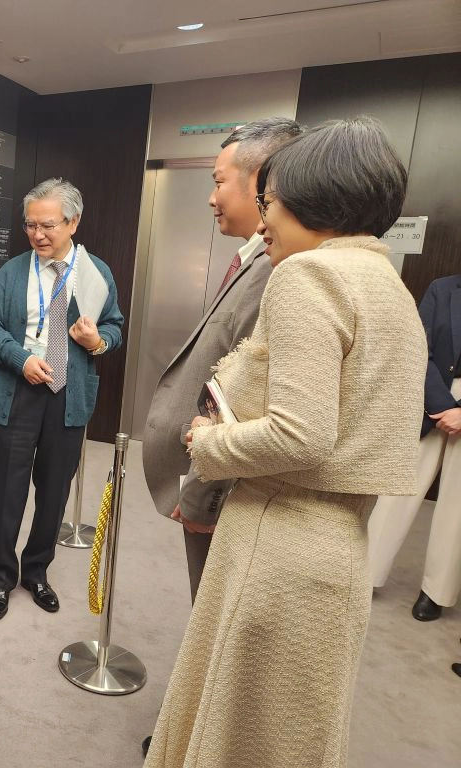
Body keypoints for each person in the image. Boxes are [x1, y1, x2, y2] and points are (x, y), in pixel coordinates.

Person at [145, 118, 426, 767]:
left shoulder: (308, 276)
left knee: (237, 731)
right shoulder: (388, 285)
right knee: (284, 734)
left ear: (313, 198)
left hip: (277, 542)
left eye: (269, 200)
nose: (264, 217)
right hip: (340, 546)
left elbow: (301, 434)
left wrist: (210, 441)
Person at [143, 117, 301, 603]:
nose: (212, 198)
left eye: (218, 182)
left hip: (221, 481)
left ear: (263, 181)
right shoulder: (254, 258)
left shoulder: (275, 270)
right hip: (209, 466)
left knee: (216, 608)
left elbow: (243, 399)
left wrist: (201, 493)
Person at [0, 178, 123, 620]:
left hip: (68, 396)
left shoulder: (96, 273)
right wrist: (20, 359)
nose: (38, 235)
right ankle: (1, 576)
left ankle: (36, 572)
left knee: (55, 490)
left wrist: (98, 341)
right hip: (18, 392)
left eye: (48, 225)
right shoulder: (11, 273)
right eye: (30, 225)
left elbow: (114, 327)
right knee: (6, 490)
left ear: (73, 222)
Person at [368, 273, 461, 621]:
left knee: (457, 505)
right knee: (397, 492)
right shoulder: (442, 288)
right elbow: (417, 349)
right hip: (432, 400)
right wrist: (443, 405)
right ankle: (367, 572)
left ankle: (436, 592)